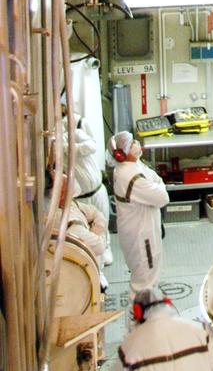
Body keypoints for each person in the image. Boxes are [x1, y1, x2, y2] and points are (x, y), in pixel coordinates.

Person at [109, 132, 169, 294]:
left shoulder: (131, 166)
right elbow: (163, 197)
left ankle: (147, 306)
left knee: (147, 274)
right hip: (143, 236)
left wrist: (157, 185)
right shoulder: (132, 176)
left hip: (139, 230)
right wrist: (158, 186)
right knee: (145, 280)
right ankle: (142, 309)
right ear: (123, 153)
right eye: (132, 143)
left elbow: (156, 179)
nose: (137, 143)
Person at [64, 106, 112, 264]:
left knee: (103, 220)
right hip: (80, 197)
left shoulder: (78, 128)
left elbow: (92, 146)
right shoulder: (55, 139)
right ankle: (96, 264)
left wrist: (71, 148)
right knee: (87, 233)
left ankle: (106, 248)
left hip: (97, 189)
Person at [50, 174, 109, 289]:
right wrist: (99, 232)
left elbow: (96, 213)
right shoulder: (69, 223)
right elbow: (99, 246)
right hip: (80, 278)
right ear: (61, 195)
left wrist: (94, 231)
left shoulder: (71, 205)